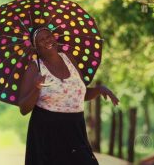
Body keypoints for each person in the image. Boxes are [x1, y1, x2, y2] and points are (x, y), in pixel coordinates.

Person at [18, 27, 119, 165]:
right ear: (35, 47)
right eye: (41, 40)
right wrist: (36, 88)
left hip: (75, 126)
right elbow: (23, 109)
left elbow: (78, 94)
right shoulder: (35, 68)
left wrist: (100, 89)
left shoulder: (68, 58)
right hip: (47, 131)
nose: (47, 40)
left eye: (49, 36)